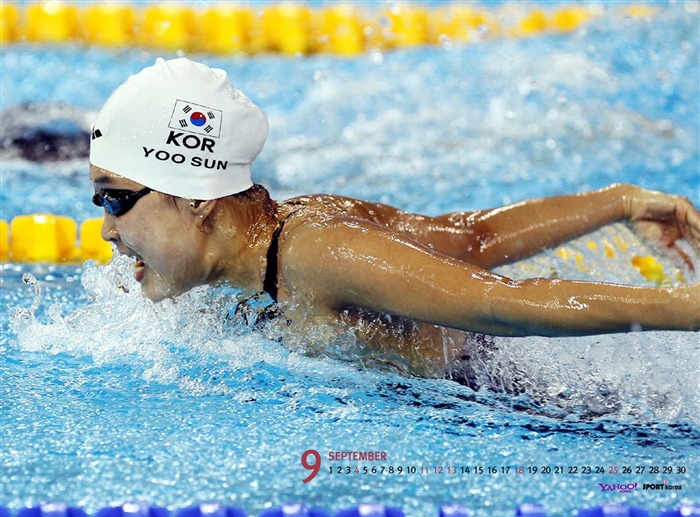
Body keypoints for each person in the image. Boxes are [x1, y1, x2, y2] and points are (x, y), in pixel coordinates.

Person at [90, 58, 699, 381]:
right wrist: (621, 201)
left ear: (197, 198)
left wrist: (685, 309)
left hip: (535, 411)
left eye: (114, 198)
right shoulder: (296, 224)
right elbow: (472, 237)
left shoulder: (317, 254)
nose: (107, 229)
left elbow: (498, 303)